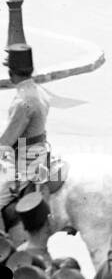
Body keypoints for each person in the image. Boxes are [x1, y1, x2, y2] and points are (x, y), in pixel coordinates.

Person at [0, 45, 51, 238]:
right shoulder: (40, 92)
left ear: (11, 73)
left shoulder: (23, 101)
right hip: (39, 150)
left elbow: (7, 140)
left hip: (25, 160)